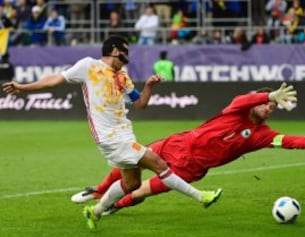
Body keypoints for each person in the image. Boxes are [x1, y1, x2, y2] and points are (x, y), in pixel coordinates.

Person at [1, 35, 223, 231]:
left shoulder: (122, 75)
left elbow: (140, 105)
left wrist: (148, 86)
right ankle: (200, 197)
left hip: (125, 134)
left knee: (132, 183)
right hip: (109, 137)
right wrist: (24, 87)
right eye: (125, 50)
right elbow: (55, 80)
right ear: (116, 50)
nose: (128, 54)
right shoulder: (89, 66)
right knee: (158, 162)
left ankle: (95, 212)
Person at [72, 84, 305, 216]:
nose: (269, 107)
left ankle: (111, 208)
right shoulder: (237, 109)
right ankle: (97, 190)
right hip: (178, 143)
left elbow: (292, 141)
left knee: (141, 191)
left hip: (190, 167)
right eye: (267, 102)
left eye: (273, 107)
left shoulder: (261, 135)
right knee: (129, 161)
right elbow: (245, 97)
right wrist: (269, 93)